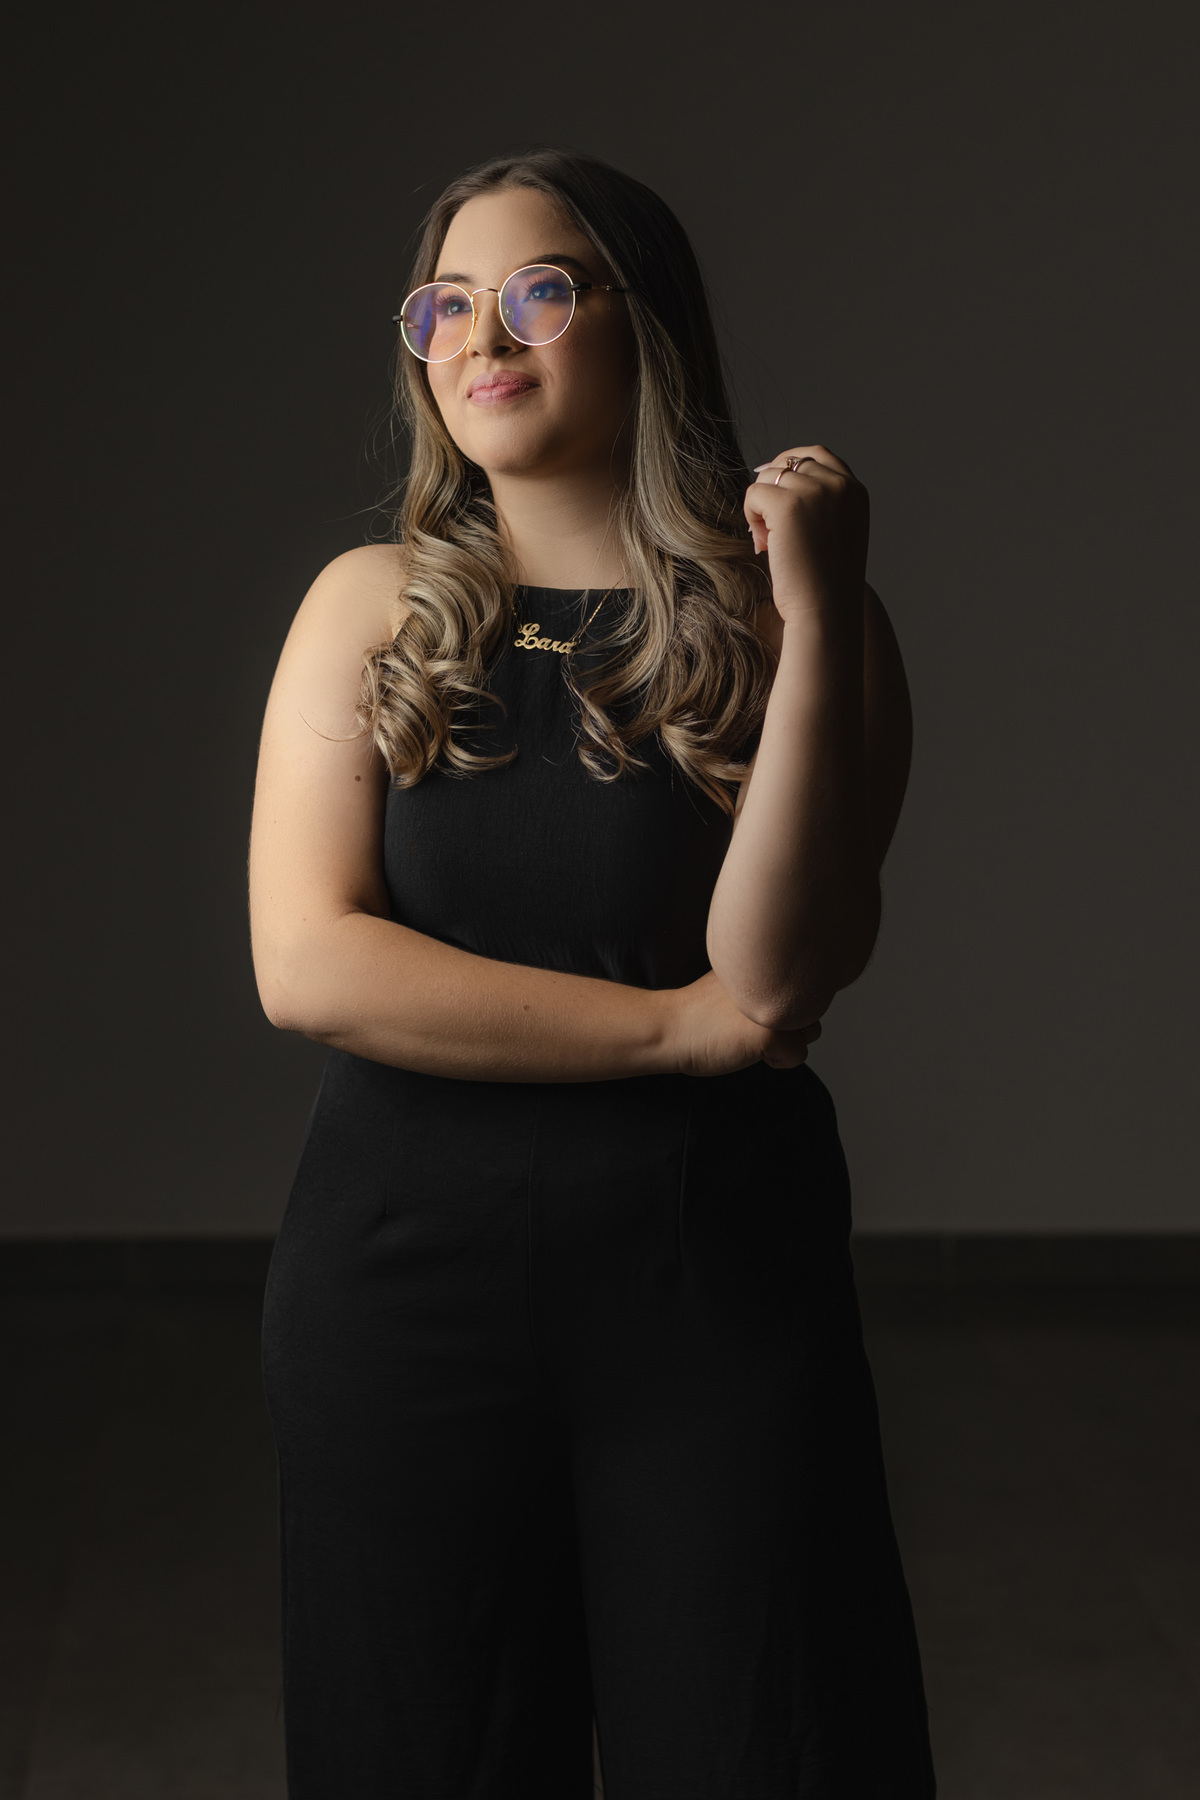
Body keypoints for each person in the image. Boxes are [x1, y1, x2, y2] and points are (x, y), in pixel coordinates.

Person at [248, 144, 935, 1799]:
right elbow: (311, 964)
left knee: (772, 1750)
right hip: (401, 1297)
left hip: (714, 1294)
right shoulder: (365, 609)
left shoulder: (799, 621)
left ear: (651, 326)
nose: (483, 335)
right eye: (445, 304)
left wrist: (815, 613)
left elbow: (781, 973)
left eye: (541, 290)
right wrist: (674, 1034)